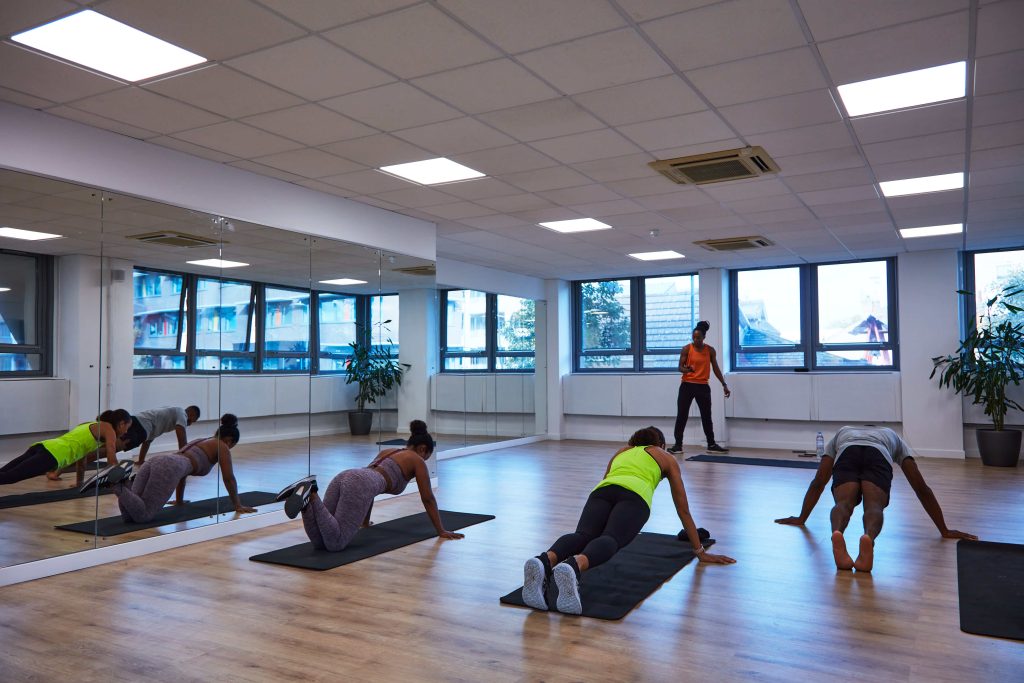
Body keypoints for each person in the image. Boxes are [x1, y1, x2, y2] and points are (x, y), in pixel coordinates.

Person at [521, 426, 735, 615]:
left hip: (601, 492)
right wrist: (700, 552)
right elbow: (683, 510)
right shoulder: (665, 456)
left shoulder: (621, 452)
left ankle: (544, 560)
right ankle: (574, 566)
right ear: (660, 443)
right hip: (635, 496)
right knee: (611, 538)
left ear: (632, 442)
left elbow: (607, 480)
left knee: (583, 535)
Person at [774, 425, 977, 572]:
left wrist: (802, 518)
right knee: (874, 507)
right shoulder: (891, 435)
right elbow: (920, 487)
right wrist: (944, 529)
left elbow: (819, 481)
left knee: (843, 503)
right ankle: (867, 539)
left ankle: (837, 532)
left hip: (848, 453)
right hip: (878, 455)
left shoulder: (843, 432)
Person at [275, 420, 464, 551]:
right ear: (423, 449)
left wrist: (365, 521)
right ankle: (312, 494)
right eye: (427, 456)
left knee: (320, 541)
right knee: (335, 544)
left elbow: (370, 489)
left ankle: (309, 497)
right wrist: (441, 530)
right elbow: (428, 498)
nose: (426, 460)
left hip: (344, 476)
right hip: (359, 483)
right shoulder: (417, 460)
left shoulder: (389, 451)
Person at [83, 414, 257, 520]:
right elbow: (229, 478)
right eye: (232, 445)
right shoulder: (222, 446)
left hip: (156, 461)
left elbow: (183, 472)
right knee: (144, 516)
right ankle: (117, 485)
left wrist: (180, 500)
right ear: (229, 441)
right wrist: (237, 505)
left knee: (129, 516)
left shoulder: (201, 441)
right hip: (168, 467)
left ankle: (124, 484)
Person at [0, 410, 131, 487]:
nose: (126, 432)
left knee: (5, 472)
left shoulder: (89, 426)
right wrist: (119, 478)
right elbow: (111, 454)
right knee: (11, 477)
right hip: (52, 455)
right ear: (121, 424)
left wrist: (79, 483)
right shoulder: (108, 429)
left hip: (43, 446)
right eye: (127, 428)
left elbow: (81, 461)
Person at [669, 321, 730, 455]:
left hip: (703, 387)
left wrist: (724, 384)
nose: (696, 339)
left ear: (704, 337)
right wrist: (687, 369)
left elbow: (716, 369)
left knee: (706, 416)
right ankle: (678, 446)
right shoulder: (686, 349)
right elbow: (680, 367)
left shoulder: (710, 350)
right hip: (687, 386)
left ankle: (711, 445)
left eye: (698, 337)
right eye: (694, 337)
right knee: (682, 416)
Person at [121, 405, 201, 464]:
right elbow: (182, 438)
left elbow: (147, 442)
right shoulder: (182, 413)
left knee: (120, 440)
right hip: (142, 424)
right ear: (191, 414)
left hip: (136, 419)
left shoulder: (165, 418)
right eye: (192, 421)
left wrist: (141, 461)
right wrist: (185, 459)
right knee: (124, 443)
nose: (190, 424)